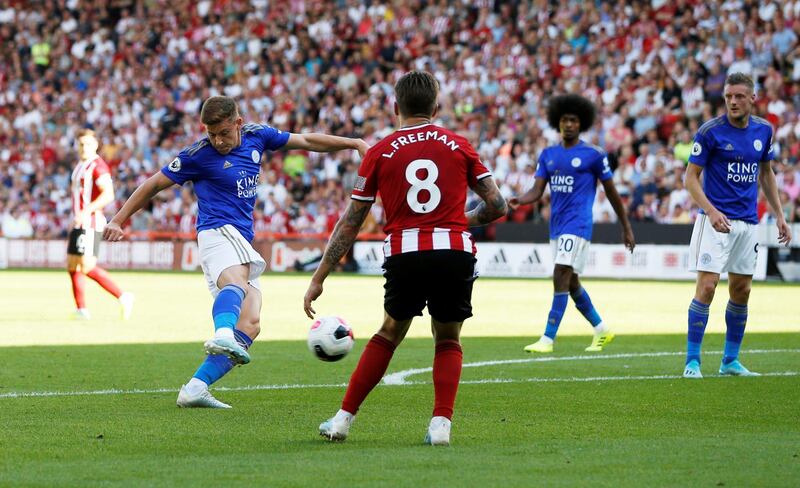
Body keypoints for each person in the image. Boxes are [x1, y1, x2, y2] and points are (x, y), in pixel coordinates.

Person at [104, 96, 367, 408]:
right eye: (211, 133)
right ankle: (223, 333)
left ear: (238, 124)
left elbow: (307, 140)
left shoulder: (258, 136)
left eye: (224, 133)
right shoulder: (197, 155)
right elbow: (153, 184)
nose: (217, 141)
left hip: (241, 237)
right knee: (236, 284)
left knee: (252, 322)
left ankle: (195, 388)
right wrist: (119, 219)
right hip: (215, 232)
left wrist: (353, 143)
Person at [303, 71, 507, 446]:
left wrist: (320, 276)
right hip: (454, 249)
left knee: (389, 333)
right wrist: (460, 220)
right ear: (437, 107)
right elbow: (497, 205)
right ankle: (440, 426)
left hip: (405, 251)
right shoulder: (458, 144)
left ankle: (342, 421)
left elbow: (351, 222)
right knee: (447, 338)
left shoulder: (380, 152)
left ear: (396, 107)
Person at [682, 73, 792, 379]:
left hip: (748, 223)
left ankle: (730, 361)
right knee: (707, 286)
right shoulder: (710, 132)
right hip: (714, 221)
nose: (732, 101)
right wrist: (711, 211)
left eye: (739, 96)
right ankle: (692, 362)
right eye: (729, 96)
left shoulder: (763, 130)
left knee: (741, 290)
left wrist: (780, 216)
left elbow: (766, 173)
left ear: (752, 99)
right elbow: (689, 178)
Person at [509, 94, 635, 353]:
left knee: (560, 274)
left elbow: (611, 192)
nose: (568, 125)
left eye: (574, 121)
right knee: (572, 281)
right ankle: (601, 330)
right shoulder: (548, 154)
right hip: (556, 226)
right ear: (558, 122)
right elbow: (537, 190)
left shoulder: (593, 154)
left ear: (582, 123)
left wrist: (626, 226)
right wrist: (519, 200)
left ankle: (547, 339)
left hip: (577, 225)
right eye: (565, 120)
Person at [67, 129, 134, 321]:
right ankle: (81, 309)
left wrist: (85, 212)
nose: (83, 147)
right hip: (79, 221)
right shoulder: (81, 165)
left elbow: (108, 194)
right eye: (81, 144)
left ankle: (123, 296)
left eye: (88, 143)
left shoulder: (98, 166)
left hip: (90, 222)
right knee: (72, 264)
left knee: (86, 266)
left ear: (96, 145)